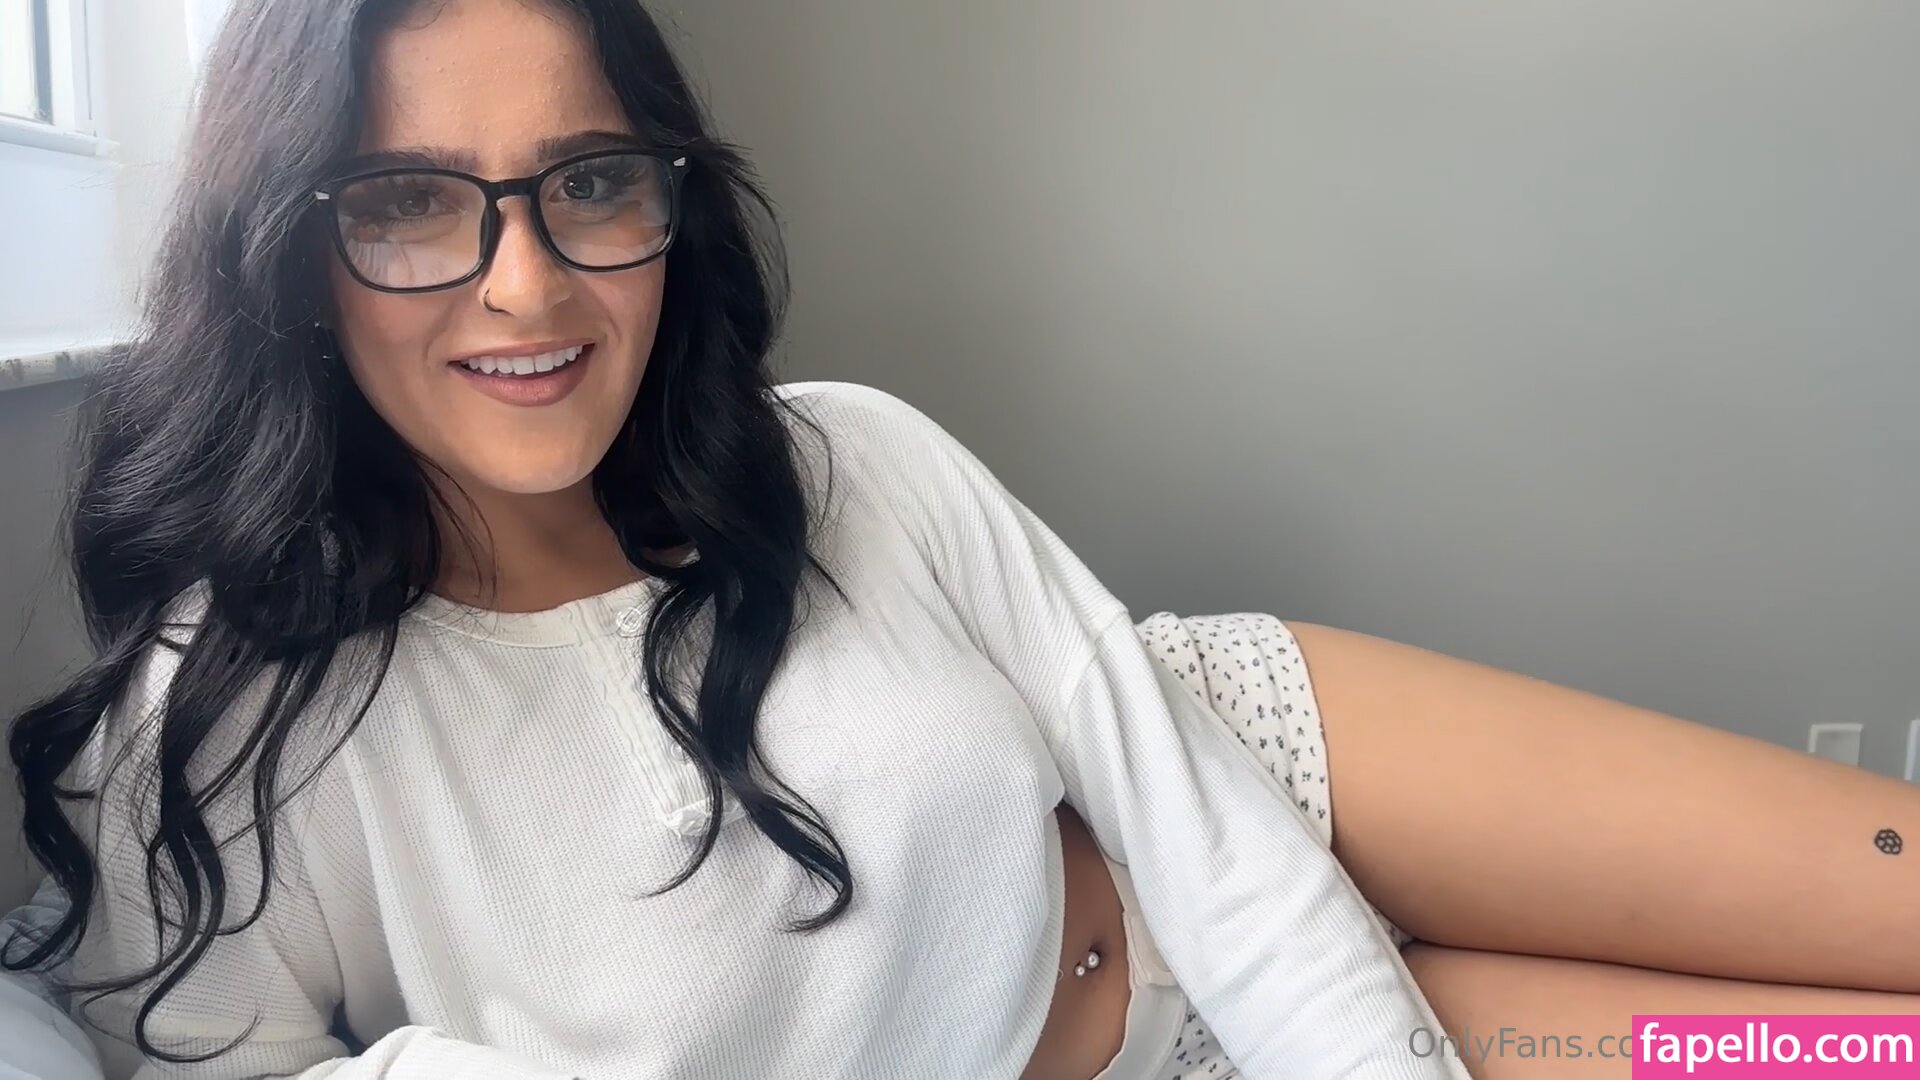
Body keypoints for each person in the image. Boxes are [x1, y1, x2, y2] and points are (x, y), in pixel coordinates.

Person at [3, 1, 1915, 1079]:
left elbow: (1206, 831)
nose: (529, 282)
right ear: (288, 245)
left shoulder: (850, 456)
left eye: (590, 180)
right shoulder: (218, 736)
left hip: (1245, 783)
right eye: (412, 203)